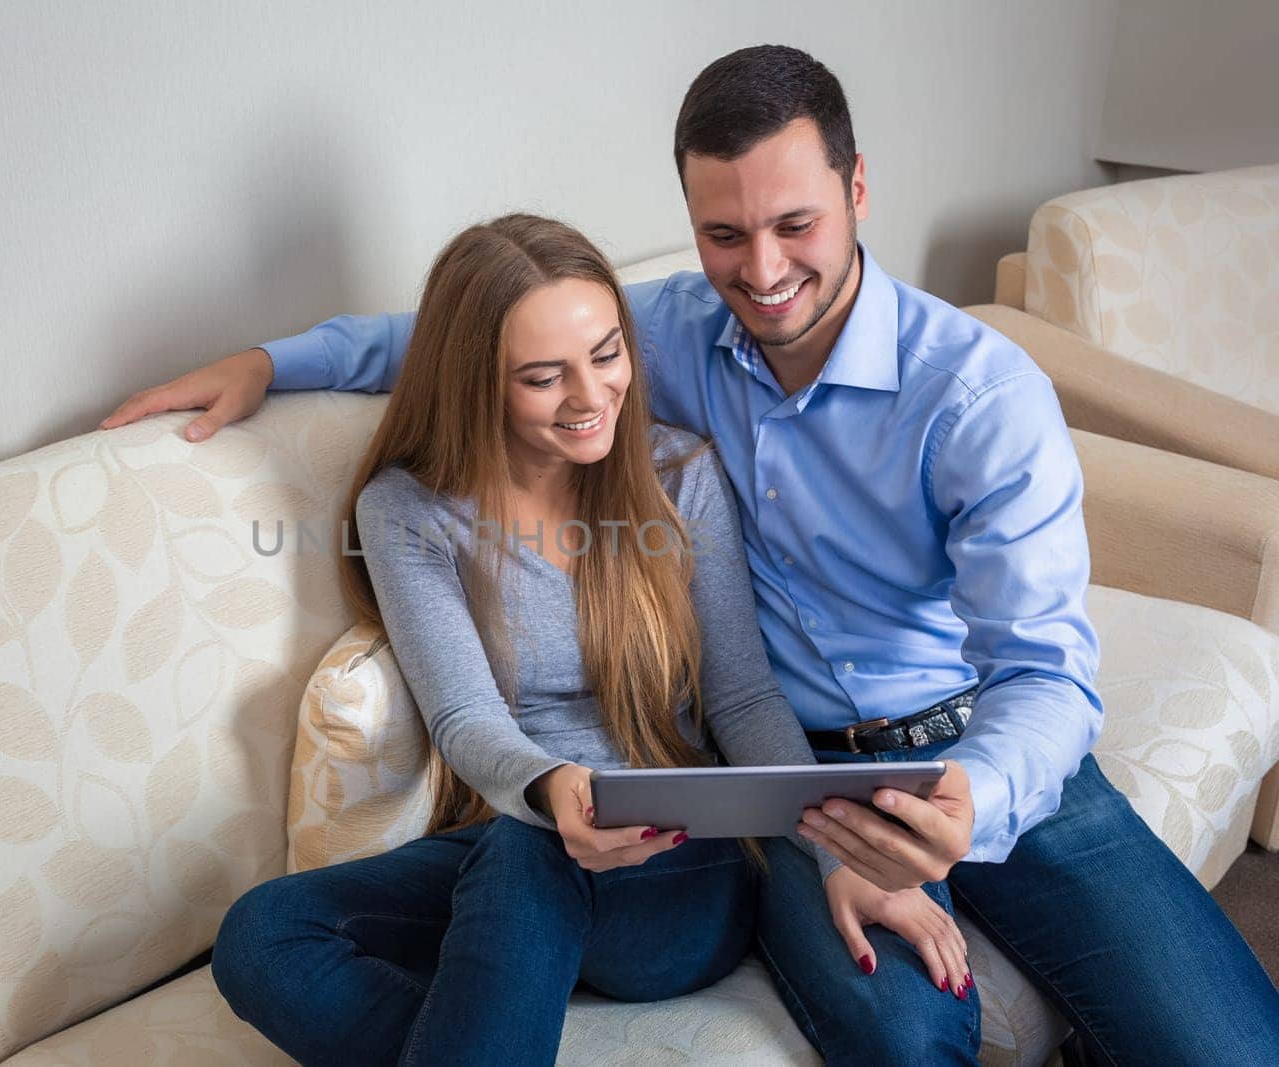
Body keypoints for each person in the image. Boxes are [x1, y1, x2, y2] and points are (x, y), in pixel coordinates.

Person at [106, 45, 1279, 1065]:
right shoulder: (664, 333)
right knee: (904, 1038)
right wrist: (274, 359)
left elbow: (1047, 668)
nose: (761, 272)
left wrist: (970, 803)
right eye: (723, 234)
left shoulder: (973, 396)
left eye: (794, 225)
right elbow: (469, 334)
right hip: (787, 775)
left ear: (858, 188)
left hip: (974, 740)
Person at [202, 214, 968, 1065]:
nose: (592, 395)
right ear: (476, 383)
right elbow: (462, 716)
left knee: (527, 857)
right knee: (263, 933)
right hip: (524, 832)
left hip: (685, 864)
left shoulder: (679, 473)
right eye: (542, 376)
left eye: (607, 353)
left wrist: (830, 852)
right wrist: (549, 787)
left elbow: (743, 696)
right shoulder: (406, 510)